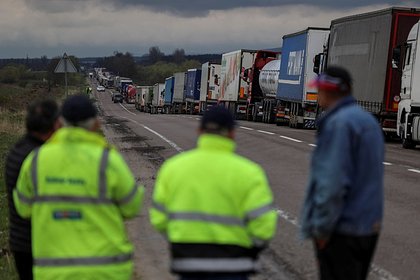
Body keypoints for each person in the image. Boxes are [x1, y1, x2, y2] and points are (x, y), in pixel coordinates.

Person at [14, 95, 144, 280]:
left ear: (60, 123)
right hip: (106, 270)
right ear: (95, 124)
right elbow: (131, 207)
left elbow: (24, 208)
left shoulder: (36, 160)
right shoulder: (107, 160)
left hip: (53, 271)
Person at [150, 106, 277, 280]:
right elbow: (264, 225)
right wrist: (250, 250)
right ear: (232, 133)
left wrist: (180, 241)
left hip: (188, 264)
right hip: (235, 266)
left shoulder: (173, 168)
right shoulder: (250, 173)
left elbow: (159, 218)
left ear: (200, 131)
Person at [300, 66, 384, 280]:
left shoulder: (337, 124)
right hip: (368, 227)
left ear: (327, 91)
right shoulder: (368, 122)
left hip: (341, 229)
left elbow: (332, 184)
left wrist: (321, 229)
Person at [5, 99, 60, 280]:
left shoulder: (18, 149)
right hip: (40, 242)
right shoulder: (41, 158)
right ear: (53, 124)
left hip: (20, 241)